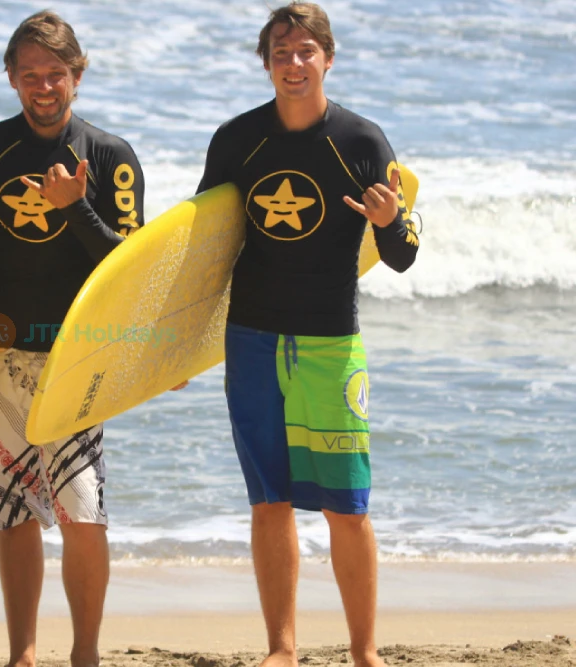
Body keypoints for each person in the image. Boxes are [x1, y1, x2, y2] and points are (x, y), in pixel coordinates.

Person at [196, 4, 419, 667]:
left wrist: (389, 222)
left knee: (347, 506)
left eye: (305, 51)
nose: (293, 64)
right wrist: (176, 350)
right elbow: (203, 249)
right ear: (266, 63)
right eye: (281, 53)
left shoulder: (362, 141)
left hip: (330, 343)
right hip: (251, 340)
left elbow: (403, 255)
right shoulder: (237, 140)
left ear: (328, 57)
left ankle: (365, 650)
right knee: (270, 501)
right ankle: (282, 648)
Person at [0, 10, 145, 667]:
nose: (43, 86)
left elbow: (128, 267)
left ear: (78, 75)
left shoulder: (110, 156)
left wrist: (75, 208)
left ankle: (85, 653)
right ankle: (23, 654)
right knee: (13, 512)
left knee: (82, 511)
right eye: (30, 74)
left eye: (56, 73)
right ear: (10, 77)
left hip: (76, 356)